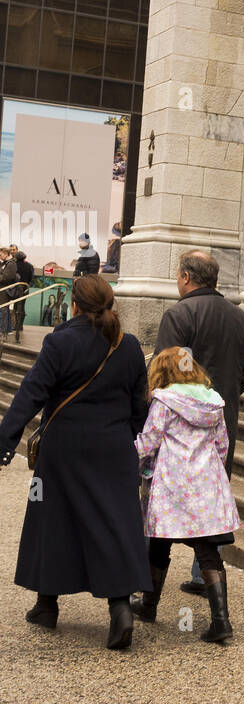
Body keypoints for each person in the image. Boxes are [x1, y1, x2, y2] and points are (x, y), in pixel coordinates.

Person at [0, 275, 152, 650]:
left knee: (52, 521)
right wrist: (123, 436)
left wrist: (5, 440)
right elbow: (140, 407)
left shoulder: (60, 342)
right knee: (115, 522)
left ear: (74, 305)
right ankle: (120, 609)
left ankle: (47, 605)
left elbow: (31, 394)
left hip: (64, 450)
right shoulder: (128, 345)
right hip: (114, 448)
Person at [152, 250, 244, 595]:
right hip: (220, 420)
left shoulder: (180, 313)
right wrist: (218, 397)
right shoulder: (239, 317)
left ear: (185, 276)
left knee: (166, 499)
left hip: (179, 426)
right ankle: (203, 577)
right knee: (211, 497)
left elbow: (165, 372)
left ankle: (149, 589)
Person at [132, 346, 240, 642]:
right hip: (206, 485)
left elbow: (149, 441)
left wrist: (126, 459)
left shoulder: (164, 402)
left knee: (159, 544)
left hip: (172, 485)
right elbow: (222, 446)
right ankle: (221, 622)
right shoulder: (213, 403)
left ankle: (148, 605)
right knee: (207, 550)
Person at [12, 247, 34, 341]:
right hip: (25, 288)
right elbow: (31, 279)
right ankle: (20, 325)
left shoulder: (14, 265)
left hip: (16, 289)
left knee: (16, 307)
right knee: (22, 306)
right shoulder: (30, 266)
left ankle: (17, 326)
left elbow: (13, 277)